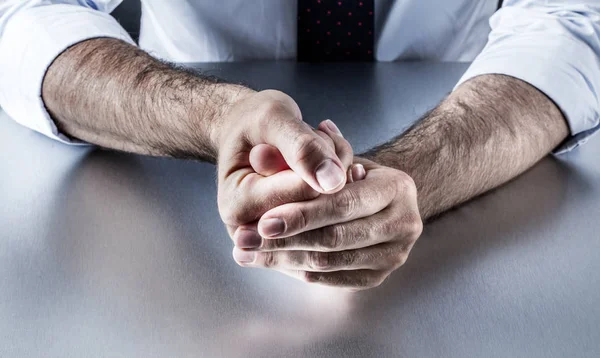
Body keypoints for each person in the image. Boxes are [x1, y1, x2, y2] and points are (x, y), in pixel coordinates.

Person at [1, 0, 598, 290]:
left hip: (466, 192)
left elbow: (572, 19)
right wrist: (216, 116)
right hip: (172, 210)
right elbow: (27, 13)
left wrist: (392, 182)